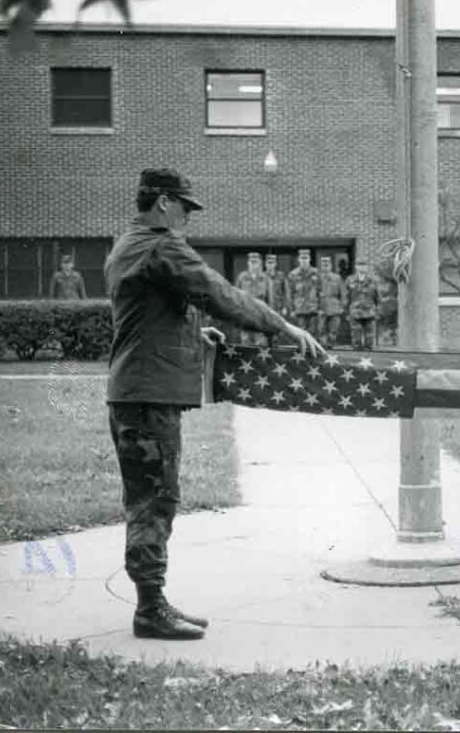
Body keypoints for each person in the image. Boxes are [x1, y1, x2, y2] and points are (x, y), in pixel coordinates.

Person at [105, 168, 322, 641]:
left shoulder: (129, 243)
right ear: (163, 202)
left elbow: (145, 312)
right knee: (154, 500)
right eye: (184, 206)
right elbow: (217, 292)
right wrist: (282, 327)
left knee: (149, 497)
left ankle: (152, 599)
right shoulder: (161, 244)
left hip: (136, 390)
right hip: (148, 394)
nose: (187, 216)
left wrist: (190, 333)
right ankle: (149, 609)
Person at [234, 252, 270, 346]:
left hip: (260, 314)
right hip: (246, 313)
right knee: (246, 342)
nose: (253, 265)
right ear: (248, 263)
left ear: (260, 263)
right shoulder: (242, 277)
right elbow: (236, 296)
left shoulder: (265, 278)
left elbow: (270, 298)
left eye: (255, 262)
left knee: (261, 342)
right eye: (251, 262)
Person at [346, 257, 380, 350]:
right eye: (360, 265)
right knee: (356, 338)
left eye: (364, 265)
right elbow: (347, 296)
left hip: (370, 312)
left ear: (367, 267)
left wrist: (378, 310)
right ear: (356, 267)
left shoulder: (373, 280)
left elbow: (378, 297)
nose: (362, 267)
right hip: (355, 312)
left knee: (370, 339)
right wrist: (346, 311)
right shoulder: (350, 280)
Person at [286, 249, 320, 334]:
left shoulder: (317, 273)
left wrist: (321, 307)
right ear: (299, 259)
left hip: (313, 308)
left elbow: (321, 291)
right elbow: (290, 293)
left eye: (306, 258)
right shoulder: (293, 274)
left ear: (309, 259)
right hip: (299, 308)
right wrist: (291, 309)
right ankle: (302, 348)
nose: (304, 260)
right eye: (302, 258)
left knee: (313, 333)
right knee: (300, 333)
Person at [317, 256, 345, 349]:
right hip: (321, 306)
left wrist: (342, 306)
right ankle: (323, 348)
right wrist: (316, 307)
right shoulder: (317, 278)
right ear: (321, 266)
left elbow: (343, 293)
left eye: (327, 265)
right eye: (324, 265)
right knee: (321, 330)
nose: (325, 267)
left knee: (334, 330)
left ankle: (331, 346)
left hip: (334, 306)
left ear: (331, 266)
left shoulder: (337, 278)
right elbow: (314, 294)